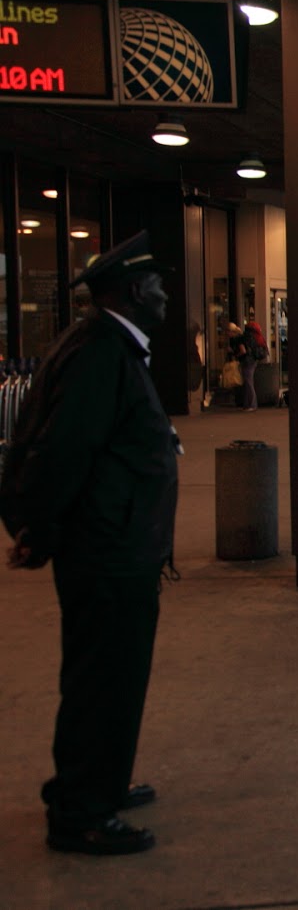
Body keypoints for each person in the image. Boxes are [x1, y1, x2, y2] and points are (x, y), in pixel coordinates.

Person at [0, 230, 180, 856]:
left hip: (114, 545)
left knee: (107, 676)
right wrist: (36, 529)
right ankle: (81, 811)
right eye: (156, 285)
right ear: (133, 291)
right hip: (107, 551)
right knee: (104, 678)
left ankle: (97, 783)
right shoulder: (103, 352)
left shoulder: (100, 344)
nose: (165, 293)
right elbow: (62, 450)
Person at [228, 321, 258, 411]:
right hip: (250, 361)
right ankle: (247, 404)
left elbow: (243, 351)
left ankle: (252, 404)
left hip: (247, 361)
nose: (227, 334)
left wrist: (234, 354)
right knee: (247, 382)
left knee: (248, 383)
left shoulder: (238, 339)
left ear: (233, 332)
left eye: (228, 331)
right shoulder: (240, 338)